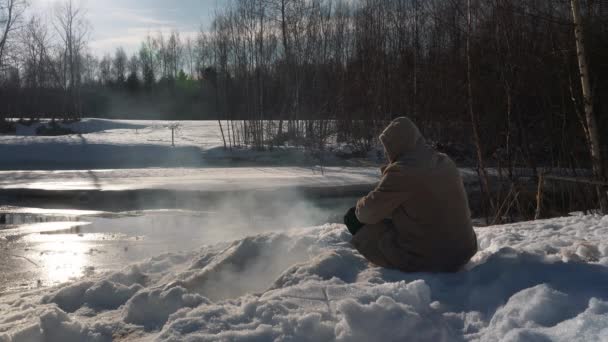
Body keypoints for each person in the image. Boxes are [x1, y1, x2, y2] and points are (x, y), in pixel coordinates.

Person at [344, 117, 477, 272]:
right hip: (464, 250)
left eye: (388, 147)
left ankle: (402, 262)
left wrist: (362, 203)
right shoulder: (444, 160)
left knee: (352, 217)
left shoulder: (403, 170)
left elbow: (367, 214)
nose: (387, 152)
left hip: (432, 258)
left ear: (395, 146)